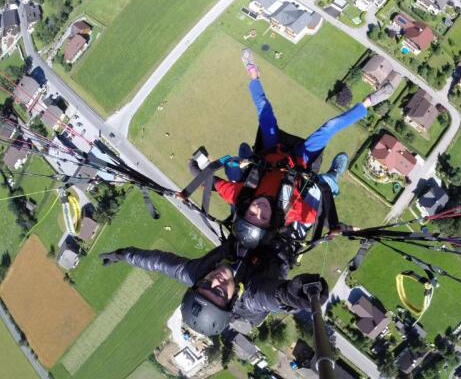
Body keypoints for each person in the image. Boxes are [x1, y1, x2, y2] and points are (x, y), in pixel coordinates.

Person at [197, 49, 394, 248]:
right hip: (298, 162)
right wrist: (340, 227)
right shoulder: (290, 211)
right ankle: (369, 103)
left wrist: (196, 177)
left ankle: (253, 75)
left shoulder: (242, 197)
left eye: (251, 213)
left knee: (265, 113)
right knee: (328, 128)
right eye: (264, 216)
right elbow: (319, 214)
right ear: (271, 221)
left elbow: (212, 183)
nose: (259, 209)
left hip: (271, 154)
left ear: (245, 208)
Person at [99, 240, 328, 336]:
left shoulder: (196, 273)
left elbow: (157, 262)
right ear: (230, 302)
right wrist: (295, 295)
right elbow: (273, 296)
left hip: (250, 234)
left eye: (206, 284)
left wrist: (122, 254)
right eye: (218, 291)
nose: (215, 280)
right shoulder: (250, 297)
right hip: (281, 245)